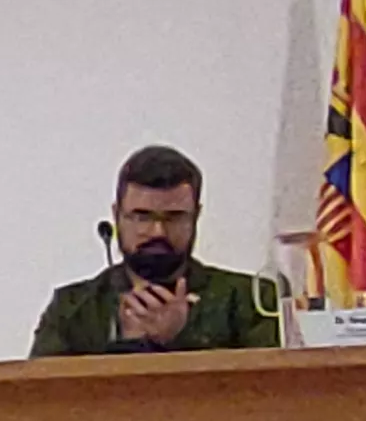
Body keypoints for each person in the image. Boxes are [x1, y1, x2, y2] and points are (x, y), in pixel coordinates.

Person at [31, 144, 285, 356]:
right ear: (117, 216)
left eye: (174, 217)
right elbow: (42, 398)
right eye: (141, 217)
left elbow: (272, 393)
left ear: (196, 216)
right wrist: (129, 345)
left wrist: (179, 338)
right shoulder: (73, 308)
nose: (157, 232)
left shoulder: (250, 299)